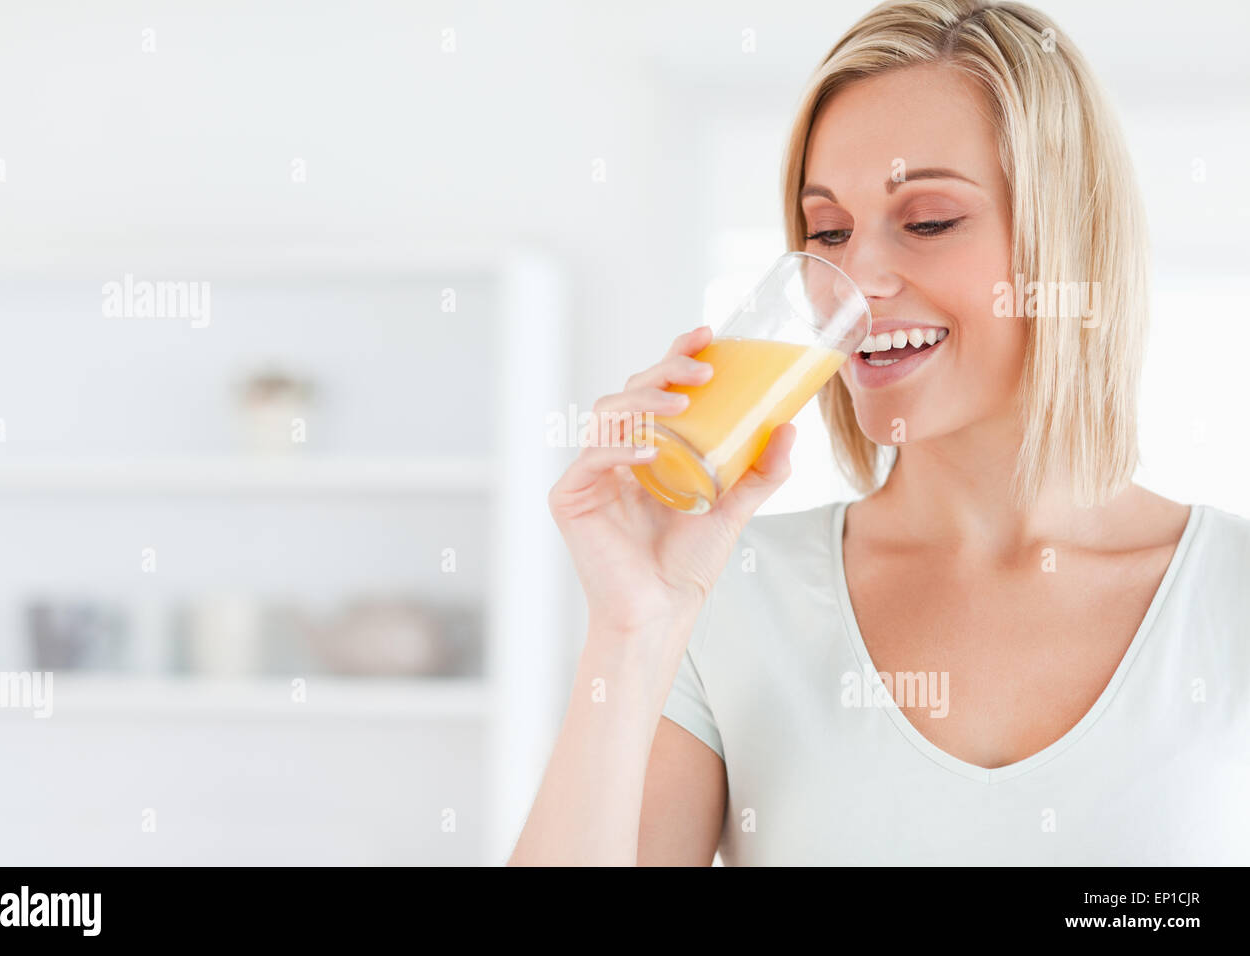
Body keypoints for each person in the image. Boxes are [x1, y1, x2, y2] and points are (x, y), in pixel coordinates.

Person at [508, 0, 1250, 865]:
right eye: (828, 232)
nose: (854, 279)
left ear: (1067, 245)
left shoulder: (1229, 597)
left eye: (928, 221)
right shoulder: (726, 600)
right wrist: (632, 628)